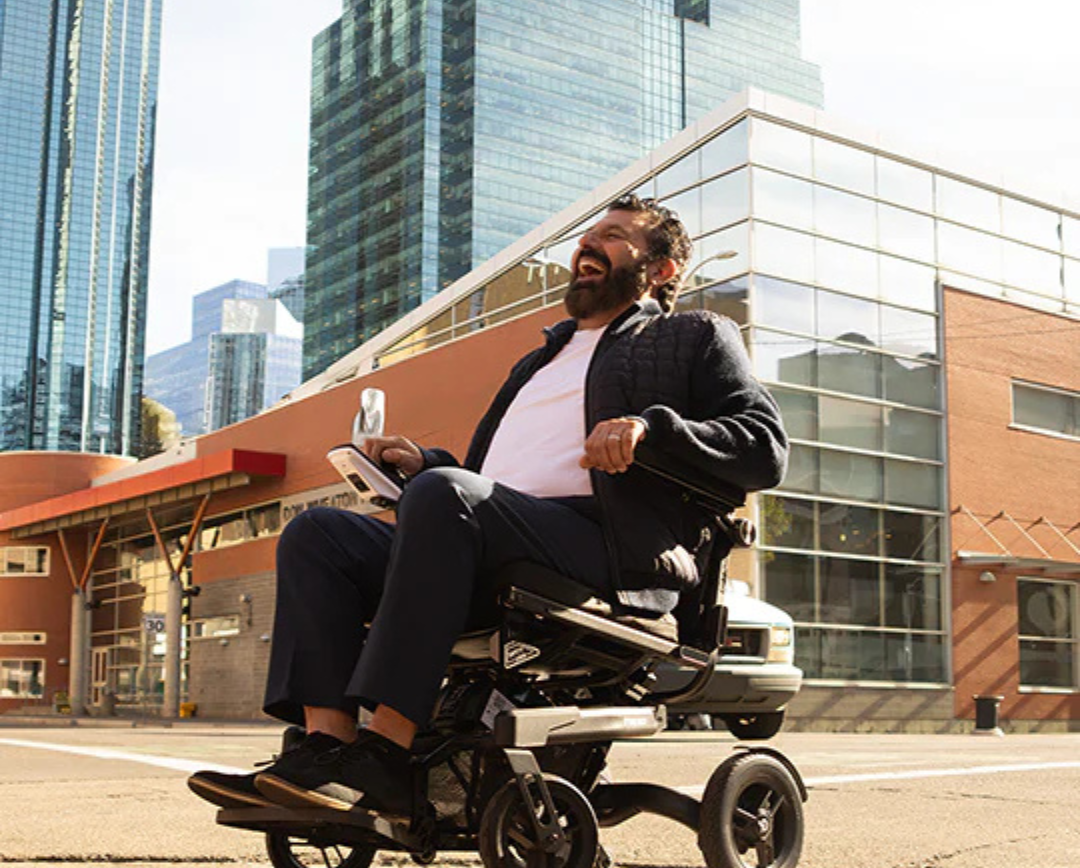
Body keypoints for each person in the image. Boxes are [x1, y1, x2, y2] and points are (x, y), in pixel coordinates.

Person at [188, 193, 787, 819]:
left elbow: (765, 447)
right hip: (487, 538)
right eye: (587, 237)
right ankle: (323, 752)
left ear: (660, 270)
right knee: (317, 534)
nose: (588, 246)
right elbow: (489, 481)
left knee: (446, 497)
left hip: (605, 548)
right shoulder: (538, 360)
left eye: (613, 236)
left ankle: (385, 756)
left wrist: (650, 431)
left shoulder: (693, 335)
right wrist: (429, 466)